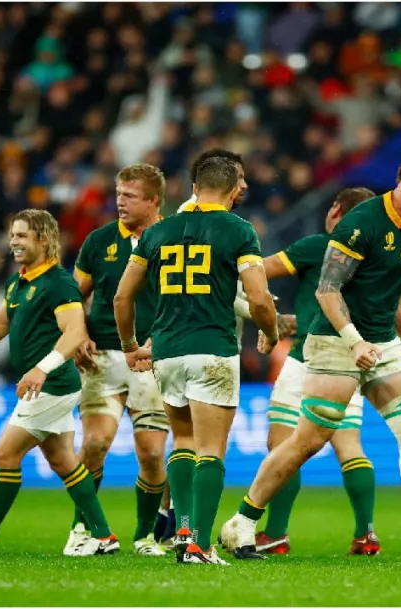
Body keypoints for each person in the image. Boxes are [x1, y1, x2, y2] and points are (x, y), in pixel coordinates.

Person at [220, 153, 401, 562]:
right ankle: (241, 524)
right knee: (308, 441)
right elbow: (327, 290)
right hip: (335, 341)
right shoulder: (362, 223)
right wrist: (353, 342)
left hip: (383, 344)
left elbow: (396, 290)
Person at [115, 157, 279, 565]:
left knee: (183, 442)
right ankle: (200, 545)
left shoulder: (159, 231)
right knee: (211, 450)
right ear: (233, 189)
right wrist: (272, 332)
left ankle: (183, 530)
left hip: (167, 353)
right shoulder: (239, 230)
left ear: (194, 184)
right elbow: (258, 298)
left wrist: (130, 345)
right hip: (213, 349)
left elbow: (122, 297)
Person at [0, 210, 117, 556]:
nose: (14, 242)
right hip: (45, 383)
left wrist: (41, 369)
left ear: (43, 240)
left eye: (23, 236)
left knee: (5, 454)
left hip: (51, 385)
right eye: (13, 235)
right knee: (64, 461)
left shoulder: (59, 283)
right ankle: (104, 536)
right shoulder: (18, 281)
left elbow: (75, 332)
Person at [254, 186, 382, 556]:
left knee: (282, 446)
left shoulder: (319, 245)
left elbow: (259, 270)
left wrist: (261, 310)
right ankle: (365, 533)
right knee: (349, 446)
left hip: (307, 359)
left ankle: (275, 533)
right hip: (350, 359)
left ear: (336, 212)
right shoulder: (376, 257)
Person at [65, 163, 170, 557]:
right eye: (118, 193)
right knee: (94, 443)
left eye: (129, 195)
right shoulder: (99, 241)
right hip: (103, 359)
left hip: (151, 359)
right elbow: (73, 295)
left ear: (153, 200)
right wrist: (79, 334)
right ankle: (83, 528)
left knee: (153, 453)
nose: (119, 201)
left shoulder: (172, 240)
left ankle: (144, 537)